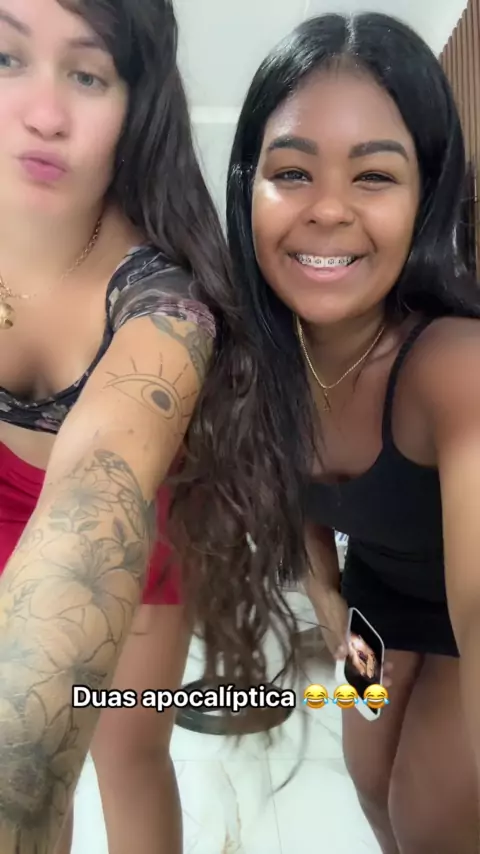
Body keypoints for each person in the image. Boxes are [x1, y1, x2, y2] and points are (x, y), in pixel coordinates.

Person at [172, 12, 480, 853]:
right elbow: (297, 491)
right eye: (293, 172)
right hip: (375, 609)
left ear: (426, 195)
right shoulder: (259, 359)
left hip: (457, 625)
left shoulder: (454, 366)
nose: (330, 210)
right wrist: (329, 601)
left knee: (429, 817)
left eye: (374, 176)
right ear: (249, 188)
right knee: (373, 785)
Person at [0, 1, 232, 852]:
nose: (45, 112)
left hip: (135, 525)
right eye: (5, 59)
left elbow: (107, 470)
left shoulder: (163, 298)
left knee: (125, 753)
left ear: (137, 105)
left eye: (87, 74)